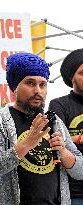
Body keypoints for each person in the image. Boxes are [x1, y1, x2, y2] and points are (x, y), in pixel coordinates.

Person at [0, 52, 83, 205]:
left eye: (42, 84)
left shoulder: (54, 122)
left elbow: (80, 172)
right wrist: (27, 143)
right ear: (15, 87)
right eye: (30, 83)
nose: (38, 91)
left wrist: (64, 152)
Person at [49, 48, 83, 205]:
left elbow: (67, 139)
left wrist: (74, 138)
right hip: (72, 192)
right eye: (82, 73)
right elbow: (56, 140)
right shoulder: (59, 105)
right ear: (71, 78)